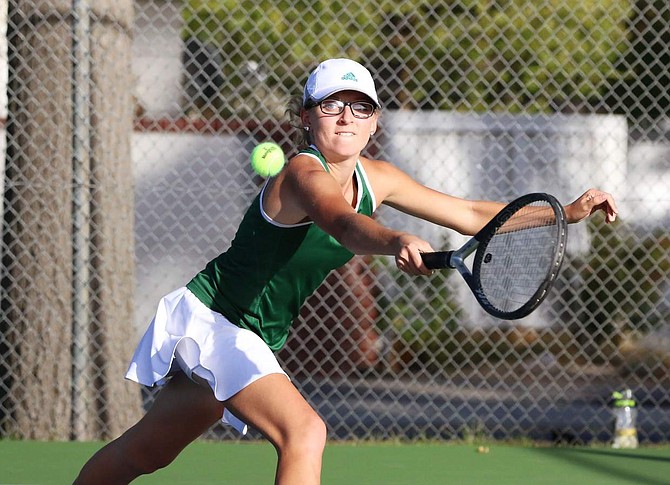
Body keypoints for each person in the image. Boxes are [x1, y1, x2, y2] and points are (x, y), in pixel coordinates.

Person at [73, 58, 618, 485]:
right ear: (306, 116)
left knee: (146, 452)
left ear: (375, 121)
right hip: (215, 319)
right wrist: (395, 238)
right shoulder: (301, 174)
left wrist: (563, 213)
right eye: (332, 106)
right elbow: (342, 224)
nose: (347, 119)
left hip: (256, 333)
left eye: (361, 109)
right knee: (304, 432)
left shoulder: (378, 177)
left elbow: (475, 216)